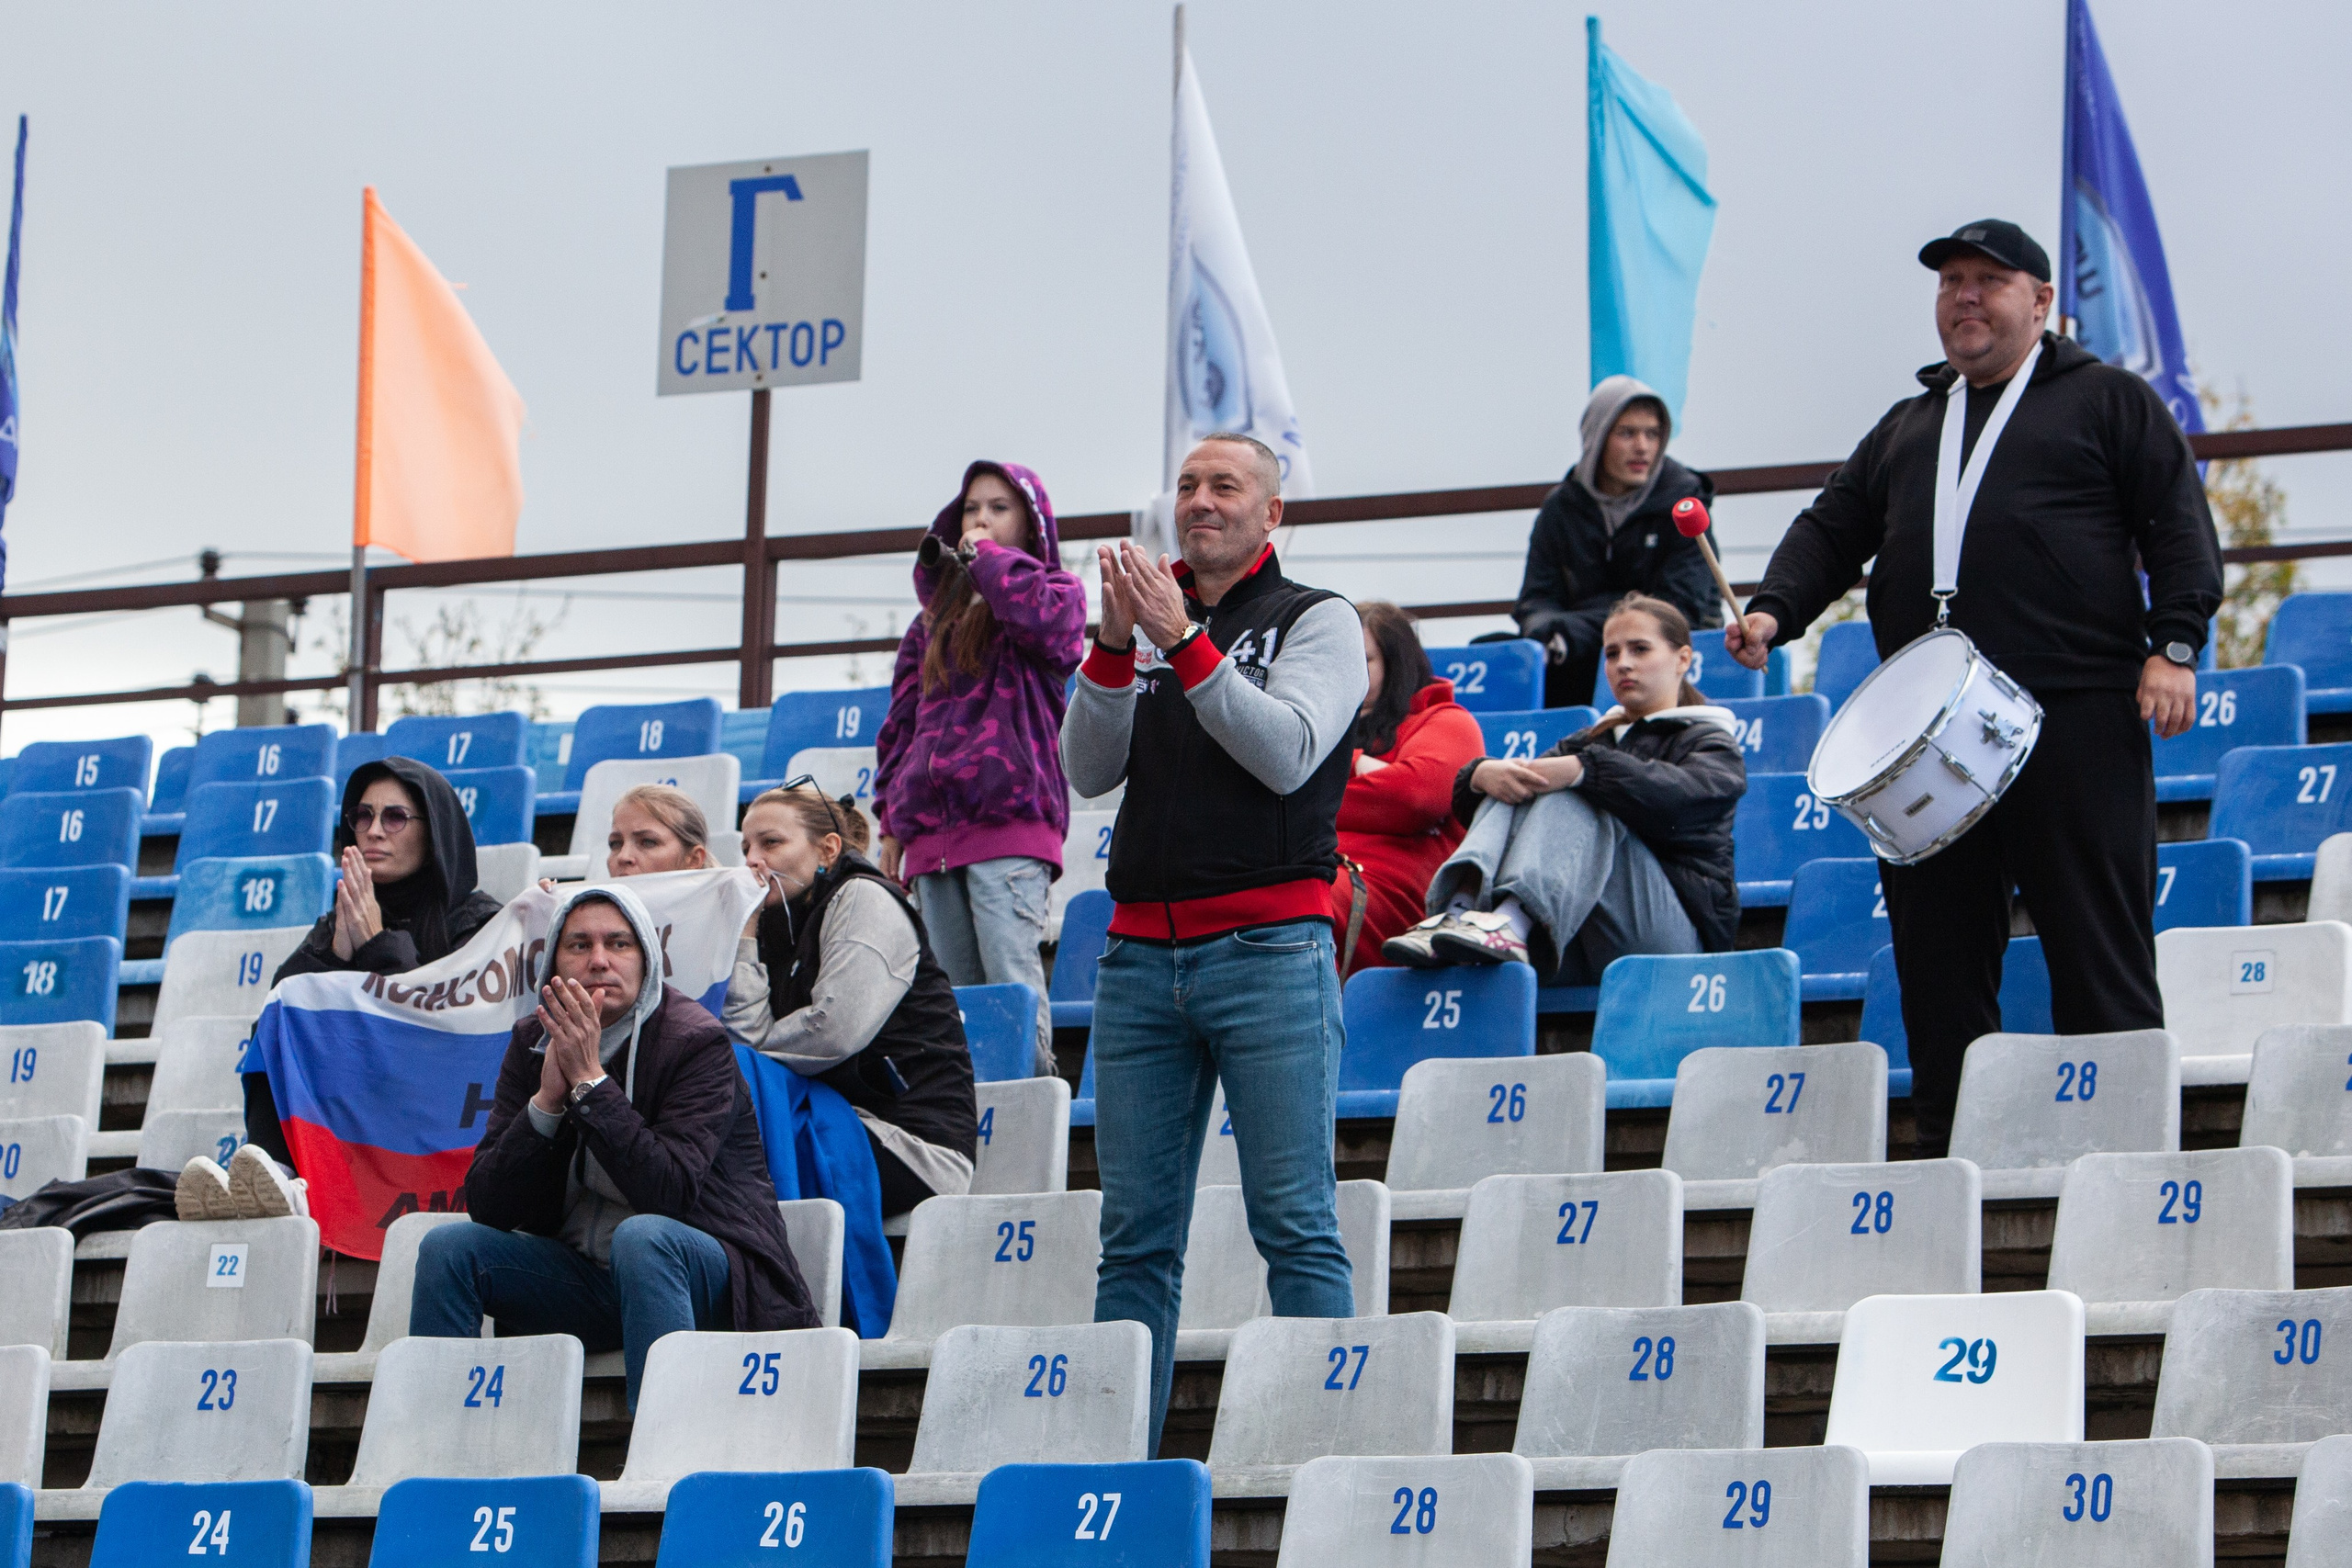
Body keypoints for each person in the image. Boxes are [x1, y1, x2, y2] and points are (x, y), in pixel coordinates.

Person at [1724, 219, 2222, 1155]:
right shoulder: (1911, 424)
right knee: (1937, 958)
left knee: (2096, 944)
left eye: (1988, 281)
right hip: (1928, 737)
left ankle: (2124, 1155)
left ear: (2040, 301)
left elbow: (2177, 525)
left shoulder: (2107, 400)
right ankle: (1950, 1156)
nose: (1963, 296)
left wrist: (2175, 644)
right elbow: (1832, 526)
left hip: (2069, 709)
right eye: (1950, 281)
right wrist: (1772, 612)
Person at [1062, 432, 1368, 1454]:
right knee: (1132, 1246)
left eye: (1225, 484)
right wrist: (1114, 648)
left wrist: (1183, 640)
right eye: (1187, 484)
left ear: (1271, 512)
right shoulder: (1150, 623)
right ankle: (1116, 1479)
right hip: (1141, 960)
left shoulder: (1315, 619)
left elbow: (1284, 753)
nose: (1200, 500)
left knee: (1295, 1224)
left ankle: (1327, 1464)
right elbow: (1088, 772)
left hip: (1270, 952)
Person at [411, 883, 818, 1410]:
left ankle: (659, 1451)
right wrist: (548, 1103)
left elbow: (668, 1192)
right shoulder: (533, 1041)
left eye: (618, 944)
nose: (599, 960)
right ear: (553, 962)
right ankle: (435, 1450)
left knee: (643, 1237)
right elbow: (490, 1207)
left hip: (706, 1277)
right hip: (588, 1282)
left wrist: (590, 1083)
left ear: (647, 959)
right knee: (449, 1251)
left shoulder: (696, 1042)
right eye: (579, 945)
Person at [182, 756, 504, 1222]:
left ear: (433, 830)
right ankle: (280, 1171)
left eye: (394, 817)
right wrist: (335, 953)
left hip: (439, 1117)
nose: (374, 830)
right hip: (359, 1111)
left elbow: (443, 1033)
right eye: (362, 816)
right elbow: (283, 1006)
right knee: (281, 1020)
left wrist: (378, 945)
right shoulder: (346, 915)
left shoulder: (478, 924)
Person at [1387, 594, 1744, 979]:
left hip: (1673, 944)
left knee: (1579, 788)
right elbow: (1525, 796)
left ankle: (1510, 921)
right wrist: (1479, 776)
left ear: (1683, 659)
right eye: (1611, 653)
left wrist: (1585, 770)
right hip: (1576, 936)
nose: (1623, 663)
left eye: (1640, 649)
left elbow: (1679, 799)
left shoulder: (1712, 742)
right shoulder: (1589, 741)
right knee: (1517, 782)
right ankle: (1455, 913)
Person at [874, 461, 1085, 1077]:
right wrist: (892, 814)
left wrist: (989, 559)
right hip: (933, 838)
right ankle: (975, 1126)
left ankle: (1033, 1116)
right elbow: (901, 722)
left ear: (1031, 524)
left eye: (999, 508)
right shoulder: (931, 623)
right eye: (971, 510)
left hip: (1010, 827)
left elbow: (1053, 631)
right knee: (956, 1006)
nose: (982, 520)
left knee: (1012, 987)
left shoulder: (1056, 594)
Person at [724, 784, 979, 1217]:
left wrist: (750, 1050)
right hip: (829, 1122)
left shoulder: (867, 898)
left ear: (827, 850)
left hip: (912, 1147)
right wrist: (745, 936)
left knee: (719, 1166)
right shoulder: (774, 919)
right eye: (746, 846)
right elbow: (744, 1038)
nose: (752, 860)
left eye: (771, 843)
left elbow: (833, 1032)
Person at [1511, 376, 1726, 708]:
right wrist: (1548, 632)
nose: (1643, 446)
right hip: (1576, 662)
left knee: (1630, 652)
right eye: (1627, 433)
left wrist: (1578, 629)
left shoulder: (1683, 502)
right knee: (1501, 654)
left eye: (1652, 434)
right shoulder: (1559, 509)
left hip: (1665, 665)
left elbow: (1682, 610)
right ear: (1597, 439)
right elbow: (1535, 600)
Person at [1327, 601, 1485, 975]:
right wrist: (1358, 768)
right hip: (1315, 869)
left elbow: (1415, 798)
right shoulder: (1317, 729)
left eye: (1363, 661)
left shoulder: (1446, 721)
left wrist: (1326, 775)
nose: (1344, 674)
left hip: (1391, 894)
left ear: (1396, 665)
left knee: (1296, 900)